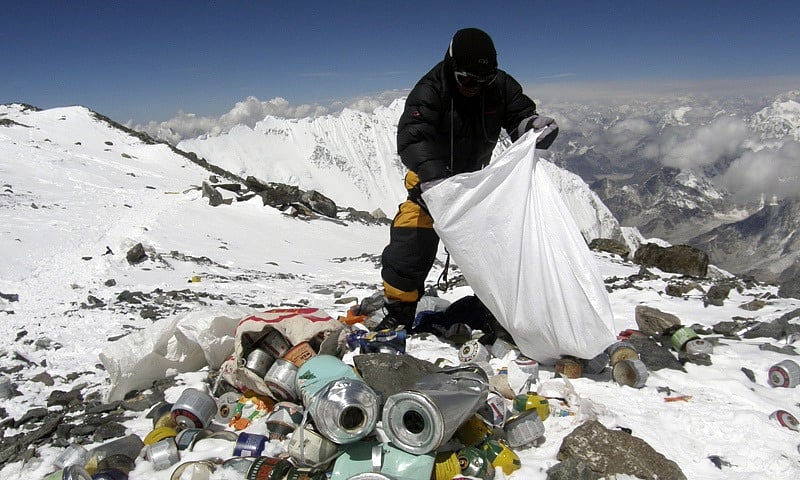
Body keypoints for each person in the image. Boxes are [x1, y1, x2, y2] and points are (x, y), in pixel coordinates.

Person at [376, 27, 559, 331]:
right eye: (467, 79)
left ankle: (499, 313)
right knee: (410, 247)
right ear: (451, 67)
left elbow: (518, 116)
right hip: (429, 187)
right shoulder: (430, 90)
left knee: (500, 250)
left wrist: (532, 126)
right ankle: (399, 312)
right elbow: (412, 138)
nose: (475, 86)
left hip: (476, 187)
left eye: (483, 80)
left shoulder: (499, 86)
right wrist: (434, 180)